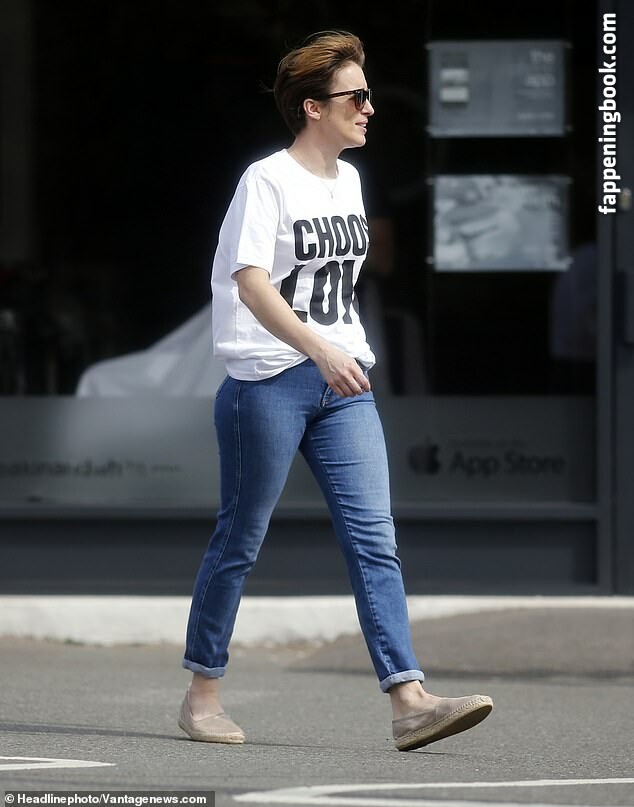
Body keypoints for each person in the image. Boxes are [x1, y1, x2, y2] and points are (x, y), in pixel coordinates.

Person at [179, 30, 493, 752]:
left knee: (374, 538)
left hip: (343, 383)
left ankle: (409, 700)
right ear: (313, 108)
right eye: (356, 97)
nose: (369, 108)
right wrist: (317, 348)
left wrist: (338, 350)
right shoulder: (265, 180)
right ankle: (202, 693)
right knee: (240, 539)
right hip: (268, 381)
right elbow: (250, 282)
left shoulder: (348, 181)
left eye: (367, 95)